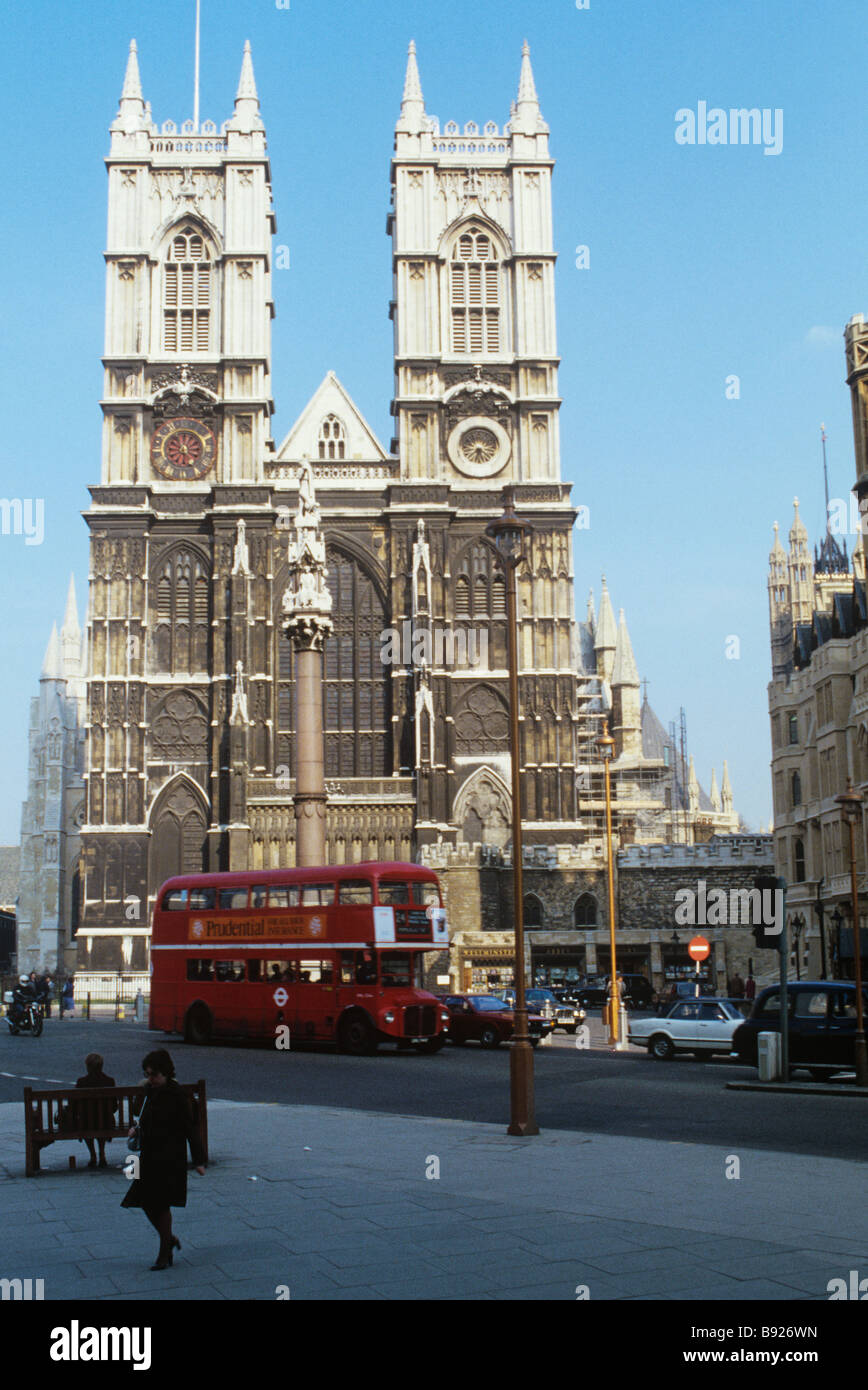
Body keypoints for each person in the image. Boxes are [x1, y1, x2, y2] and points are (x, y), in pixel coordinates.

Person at [121, 1049, 206, 1271]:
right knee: (144, 1201)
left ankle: (163, 1251)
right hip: (149, 1154)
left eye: (154, 1074)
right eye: (147, 1074)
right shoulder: (149, 1091)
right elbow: (143, 1117)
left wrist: (198, 1160)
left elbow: (190, 1128)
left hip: (170, 1156)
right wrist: (136, 1129)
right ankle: (168, 1239)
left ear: (166, 1072)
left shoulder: (177, 1095)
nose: (151, 1078)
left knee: (160, 1203)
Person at [75, 1053, 116, 1169]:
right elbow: (114, 1107)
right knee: (102, 1119)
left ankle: (93, 1155)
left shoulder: (81, 1082)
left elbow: (75, 1106)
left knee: (87, 1121)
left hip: (86, 1123)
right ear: (102, 1066)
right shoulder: (110, 1081)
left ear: (87, 1066)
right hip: (106, 1122)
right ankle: (102, 1153)